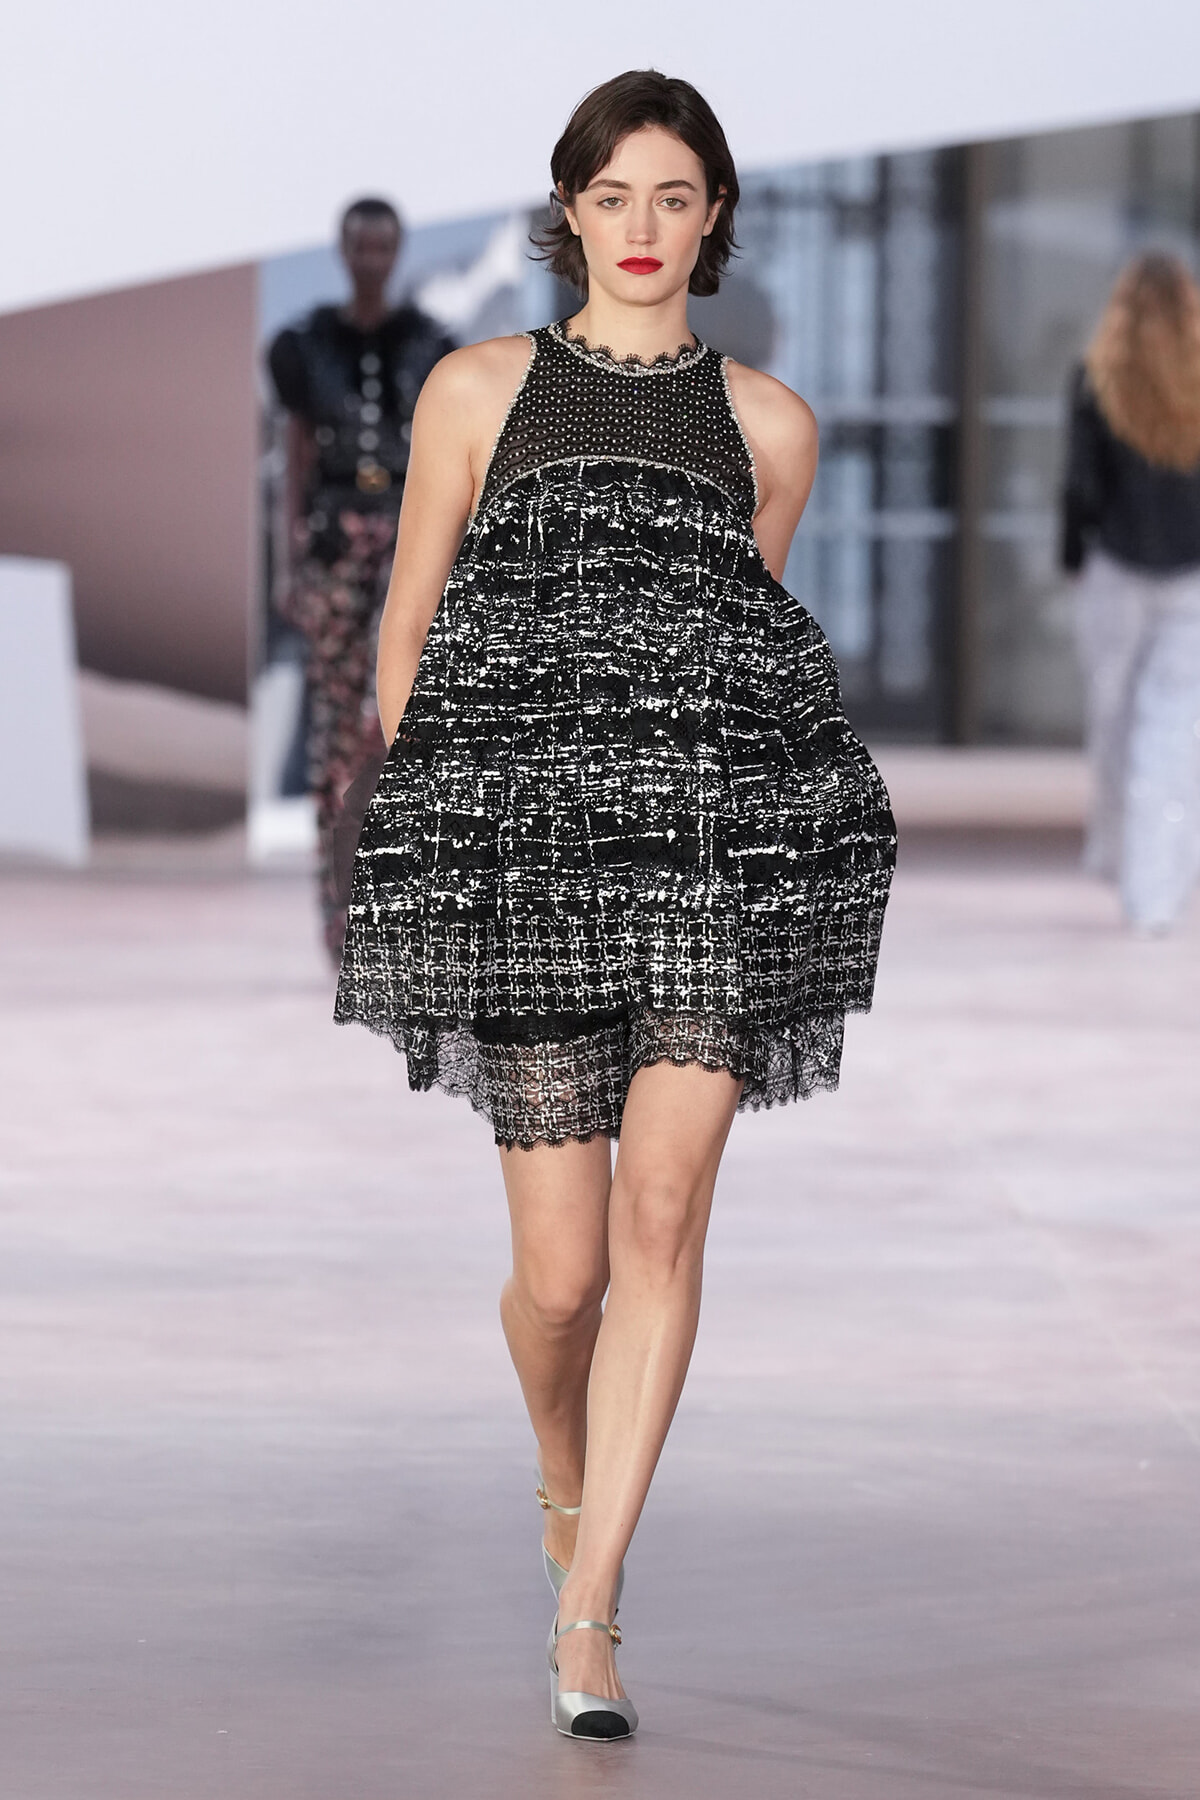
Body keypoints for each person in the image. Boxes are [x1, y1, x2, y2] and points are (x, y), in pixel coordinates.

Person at [336, 72, 896, 1740]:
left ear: (714, 212)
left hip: (709, 861)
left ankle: (591, 1614)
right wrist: (421, 809)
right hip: (521, 861)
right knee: (563, 1279)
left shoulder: (773, 427)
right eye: (613, 196)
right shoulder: (477, 390)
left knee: (664, 1212)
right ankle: (562, 1478)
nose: (643, 229)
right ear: (567, 210)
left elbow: (749, 638)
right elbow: (410, 615)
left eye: (675, 196)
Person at [267, 198, 455, 964]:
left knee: (413, 726)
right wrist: (290, 566)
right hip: (337, 548)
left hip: (411, 544)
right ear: (344, 251)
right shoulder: (307, 347)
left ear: (398, 249)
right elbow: (297, 461)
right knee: (336, 736)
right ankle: (341, 913)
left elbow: (453, 466)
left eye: (384, 246)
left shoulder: (433, 347)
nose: (372, 259)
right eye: (360, 246)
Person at [1062, 252, 1200, 934]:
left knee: (1116, 721)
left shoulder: (1096, 378)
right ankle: (1158, 883)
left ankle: (1127, 859)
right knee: (1174, 734)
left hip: (1116, 569)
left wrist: (1071, 558)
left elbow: (1080, 485)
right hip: (1192, 575)